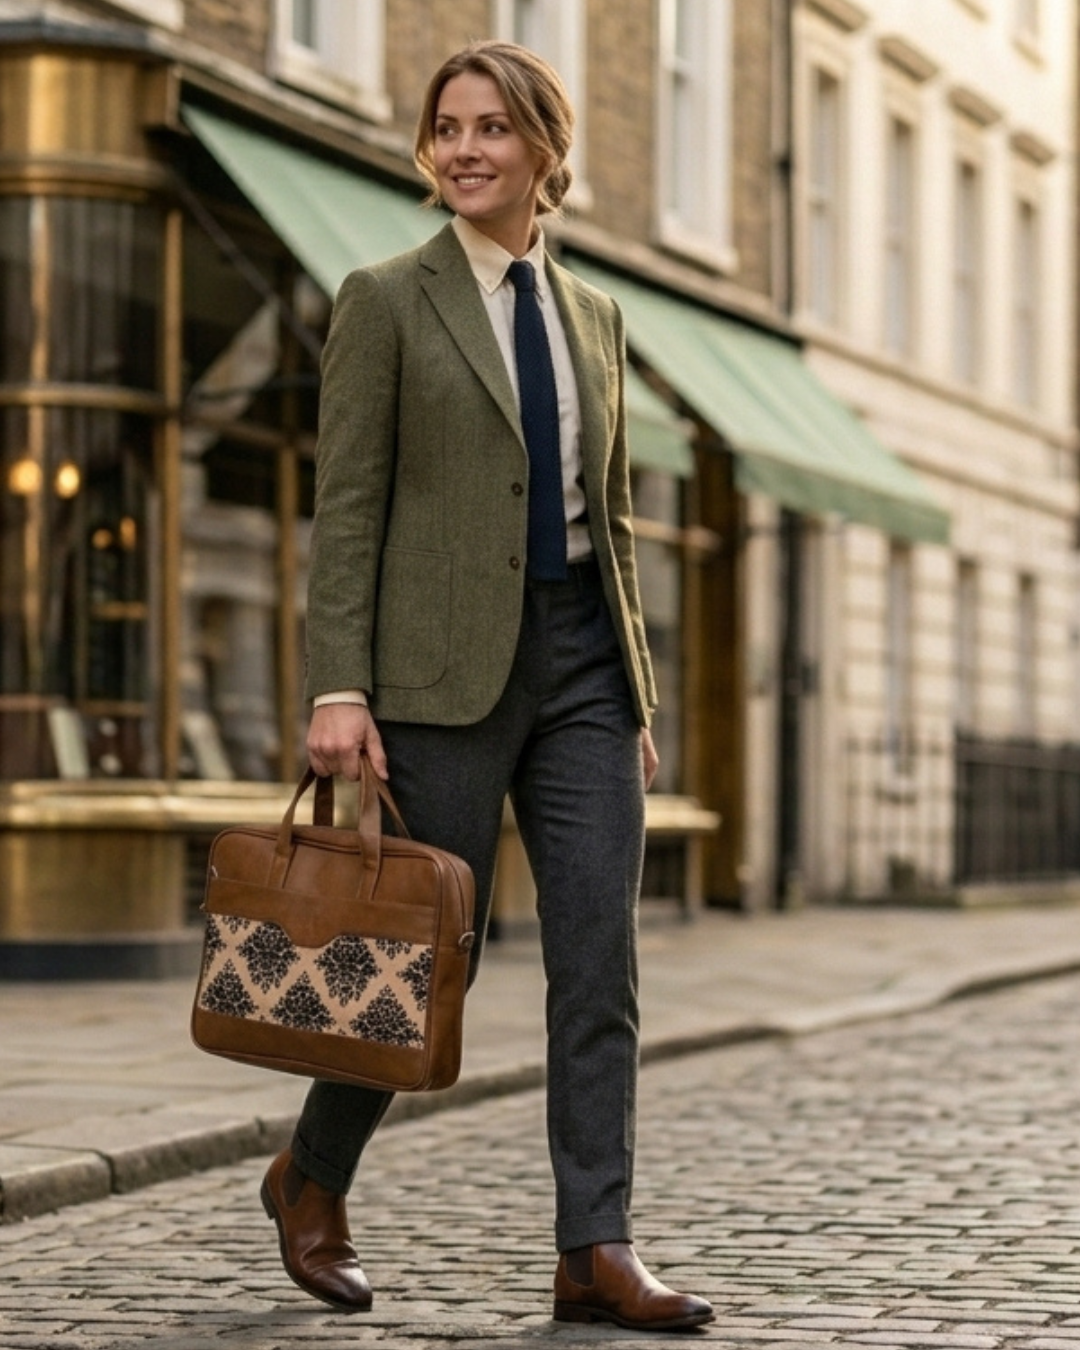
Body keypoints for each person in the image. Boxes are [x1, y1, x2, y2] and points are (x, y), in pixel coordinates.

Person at [259, 40, 714, 1333]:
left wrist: (633, 691)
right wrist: (338, 684)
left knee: (599, 962)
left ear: (543, 152)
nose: (462, 148)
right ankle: (312, 1172)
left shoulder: (599, 318)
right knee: (411, 955)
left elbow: (612, 521)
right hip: (437, 675)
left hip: (580, 670)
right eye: (445, 128)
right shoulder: (386, 299)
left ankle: (594, 1245)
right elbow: (344, 512)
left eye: (491, 128)